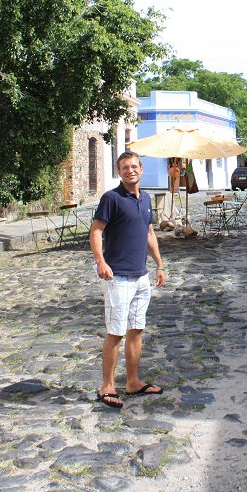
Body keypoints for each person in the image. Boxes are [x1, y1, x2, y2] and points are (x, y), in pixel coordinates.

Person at [90, 150, 168, 408]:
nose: (130, 170)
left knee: (136, 330)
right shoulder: (111, 198)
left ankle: (133, 381)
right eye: (125, 167)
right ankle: (107, 386)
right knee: (116, 332)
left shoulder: (145, 199)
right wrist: (101, 262)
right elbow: (96, 231)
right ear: (119, 172)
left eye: (134, 166)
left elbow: (149, 234)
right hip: (118, 276)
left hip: (141, 276)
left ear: (141, 169)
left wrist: (159, 265)